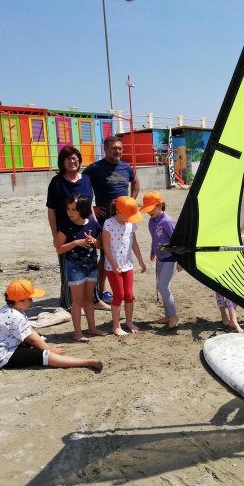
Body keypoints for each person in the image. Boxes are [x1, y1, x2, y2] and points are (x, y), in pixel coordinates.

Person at [0, 279, 102, 371]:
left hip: (7, 346)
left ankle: (50, 352)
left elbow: (29, 331)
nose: (32, 302)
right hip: (1, 357)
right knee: (44, 355)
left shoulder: (11, 309)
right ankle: (87, 362)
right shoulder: (14, 316)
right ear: (19, 301)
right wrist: (49, 350)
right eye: (29, 299)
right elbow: (32, 339)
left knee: (39, 337)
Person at [46, 145, 109, 311]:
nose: (71, 161)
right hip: (66, 231)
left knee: (90, 265)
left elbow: (89, 208)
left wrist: (96, 228)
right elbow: (51, 210)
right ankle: (70, 302)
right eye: (67, 159)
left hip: (86, 228)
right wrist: (55, 234)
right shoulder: (57, 182)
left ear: (79, 160)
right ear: (62, 162)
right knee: (69, 267)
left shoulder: (86, 179)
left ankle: (94, 299)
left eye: (74, 158)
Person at [84, 136, 140, 303]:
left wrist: (132, 201)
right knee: (106, 254)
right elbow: (82, 186)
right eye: (114, 148)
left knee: (124, 251)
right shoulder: (95, 168)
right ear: (105, 150)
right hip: (105, 219)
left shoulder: (126, 167)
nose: (118, 151)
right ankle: (102, 291)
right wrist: (91, 207)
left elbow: (136, 183)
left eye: (120, 148)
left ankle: (123, 289)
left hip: (124, 219)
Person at [54, 194, 106, 342]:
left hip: (91, 266)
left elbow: (101, 245)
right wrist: (76, 243)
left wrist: (94, 241)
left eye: (74, 209)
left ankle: (91, 328)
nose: (70, 212)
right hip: (74, 267)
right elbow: (59, 248)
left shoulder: (93, 225)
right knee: (77, 301)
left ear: (82, 210)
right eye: (68, 209)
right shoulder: (65, 225)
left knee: (89, 299)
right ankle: (77, 333)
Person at [102, 196, 147, 336]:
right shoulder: (108, 224)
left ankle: (128, 321)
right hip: (113, 266)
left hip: (127, 264)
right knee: (118, 295)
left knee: (129, 295)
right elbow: (106, 246)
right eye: (129, 215)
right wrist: (114, 265)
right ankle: (116, 326)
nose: (130, 218)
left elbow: (133, 242)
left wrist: (140, 260)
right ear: (119, 211)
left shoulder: (131, 223)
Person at [141, 191, 182, 329]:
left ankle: (174, 315)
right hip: (160, 258)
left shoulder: (167, 221)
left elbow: (177, 241)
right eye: (147, 210)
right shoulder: (152, 222)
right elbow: (155, 238)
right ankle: (167, 315)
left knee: (163, 287)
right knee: (161, 287)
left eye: (151, 209)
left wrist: (180, 261)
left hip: (170, 258)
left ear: (159, 205)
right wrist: (153, 251)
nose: (149, 212)